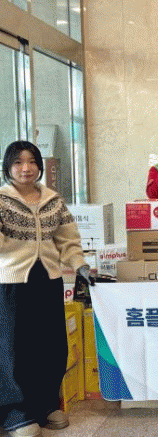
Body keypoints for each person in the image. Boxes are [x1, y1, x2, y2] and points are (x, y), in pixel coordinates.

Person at [0, 141, 92, 437]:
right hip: (12, 282)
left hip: (49, 279)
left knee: (51, 344)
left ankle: (47, 404)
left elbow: (68, 239)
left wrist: (79, 265)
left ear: (40, 166)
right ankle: (16, 412)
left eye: (31, 162)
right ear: (7, 167)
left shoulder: (53, 200)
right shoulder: (1, 199)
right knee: (14, 349)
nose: (25, 168)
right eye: (18, 163)